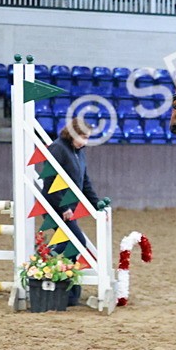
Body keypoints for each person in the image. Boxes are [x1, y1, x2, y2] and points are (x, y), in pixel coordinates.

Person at [42, 117, 110, 305]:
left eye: (88, 138)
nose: (85, 142)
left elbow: (85, 181)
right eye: (83, 137)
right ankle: (44, 257)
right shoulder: (58, 148)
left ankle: (69, 291)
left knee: (73, 244)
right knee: (77, 242)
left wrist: (97, 204)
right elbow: (49, 181)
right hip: (55, 206)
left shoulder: (79, 152)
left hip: (69, 208)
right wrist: (63, 207)